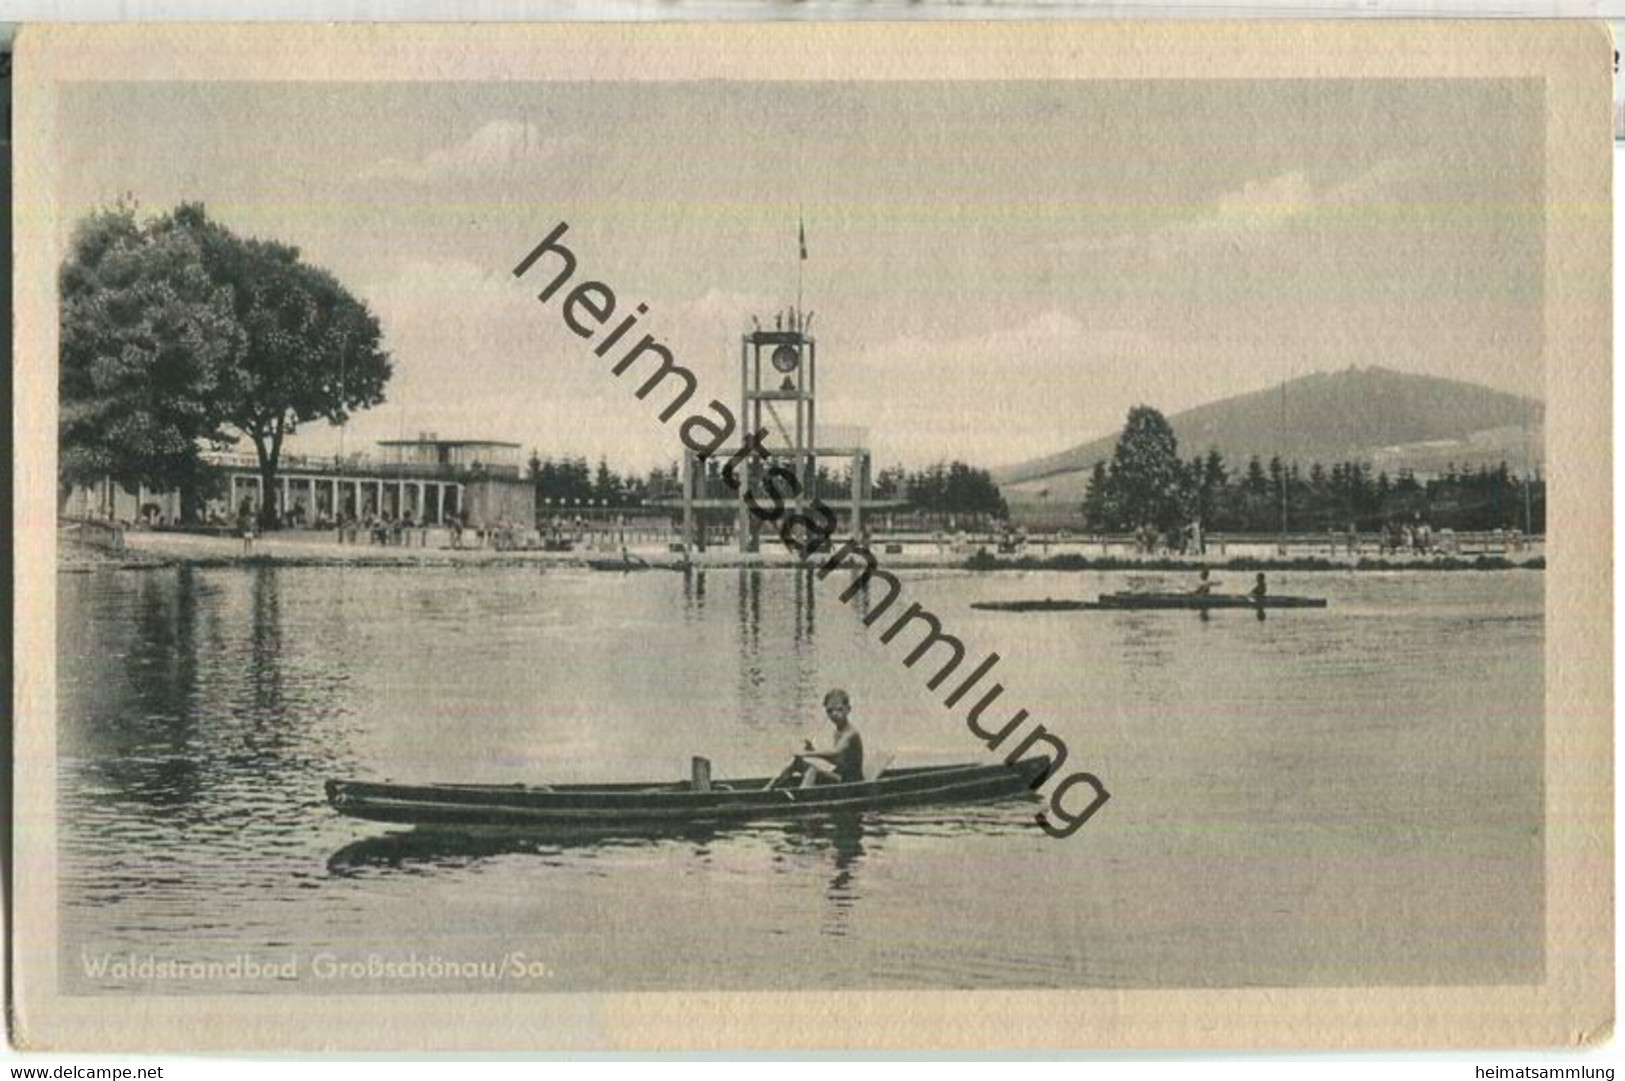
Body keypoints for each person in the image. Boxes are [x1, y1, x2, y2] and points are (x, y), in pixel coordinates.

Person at [767, 689, 865, 790]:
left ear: (848, 709)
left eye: (839, 709)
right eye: (830, 711)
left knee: (813, 771)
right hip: (839, 777)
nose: (834, 714)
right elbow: (838, 761)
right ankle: (767, 791)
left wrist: (806, 753)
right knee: (797, 763)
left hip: (851, 782)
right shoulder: (837, 732)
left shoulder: (851, 734)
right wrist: (812, 750)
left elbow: (835, 752)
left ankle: (800, 800)